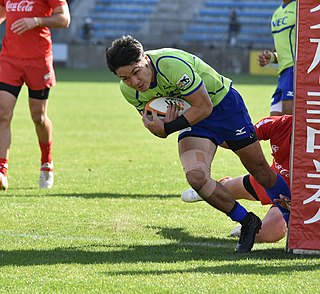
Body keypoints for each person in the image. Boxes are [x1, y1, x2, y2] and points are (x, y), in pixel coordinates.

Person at [106, 35, 291, 253]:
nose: (134, 82)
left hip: (224, 108)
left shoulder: (170, 64)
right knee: (196, 177)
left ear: (145, 59)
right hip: (194, 120)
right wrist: (159, 128)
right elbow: (158, 126)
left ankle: (296, 219)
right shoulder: (129, 91)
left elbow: (204, 107)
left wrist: (167, 128)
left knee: (261, 172)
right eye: (125, 78)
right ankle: (247, 220)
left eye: (136, 72)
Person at [182, 115, 292, 243]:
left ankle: (245, 228)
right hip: (271, 182)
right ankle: (219, 185)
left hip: (302, 196)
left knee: (267, 235)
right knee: (221, 191)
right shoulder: (279, 124)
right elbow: (238, 140)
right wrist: (199, 123)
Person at [0, 0, 71, 191]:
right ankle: (2, 169)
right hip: (9, 60)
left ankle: (46, 162)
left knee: (38, 117)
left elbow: (64, 19)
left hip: (38, 61)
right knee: (3, 114)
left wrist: (36, 21)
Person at [258, 0, 296, 116]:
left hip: (294, 70)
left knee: (289, 122)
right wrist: (271, 57)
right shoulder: (277, 13)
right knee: (275, 123)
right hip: (282, 74)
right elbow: (280, 51)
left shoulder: (301, 9)